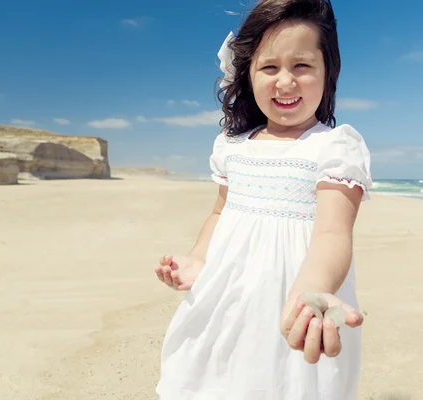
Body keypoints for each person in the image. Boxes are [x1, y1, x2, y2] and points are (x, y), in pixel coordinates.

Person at [153, 0, 372, 398]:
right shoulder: (232, 146)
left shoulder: (336, 147)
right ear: (248, 75)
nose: (285, 81)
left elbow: (332, 233)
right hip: (224, 300)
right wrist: (197, 259)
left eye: (302, 66)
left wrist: (315, 290)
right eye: (270, 67)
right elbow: (220, 212)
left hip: (295, 303)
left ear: (328, 74)